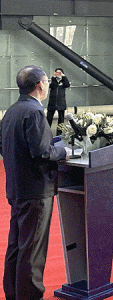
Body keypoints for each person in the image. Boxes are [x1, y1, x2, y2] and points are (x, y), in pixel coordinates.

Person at [1, 65, 68, 300]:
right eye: (47, 81)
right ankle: (29, 296)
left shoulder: (12, 111)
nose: (48, 85)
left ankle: (13, 293)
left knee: (17, 245)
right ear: (39, 85)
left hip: (17, 187)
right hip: (36, 190)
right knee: (32, 250)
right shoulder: (35, 112)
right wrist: (64, 152)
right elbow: (42, 152)